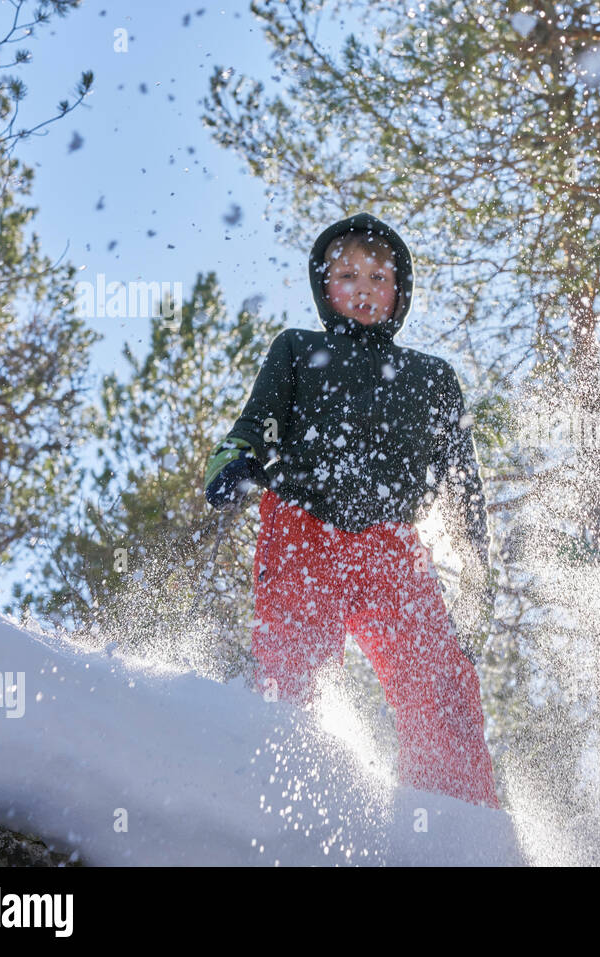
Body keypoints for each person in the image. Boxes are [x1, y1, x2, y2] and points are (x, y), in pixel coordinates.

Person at [202, 212, 500, 809]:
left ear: (399, 291)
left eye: (378, 276)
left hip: (391, 545)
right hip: (303, 529)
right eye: (346, 275)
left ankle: (461, 820)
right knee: (294, 672)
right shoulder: (297, 349)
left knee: (439, 688)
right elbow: (255, 424)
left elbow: (463, 482)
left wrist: (475, 562)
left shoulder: (432, 378)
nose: (363, 287)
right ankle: (289, 803)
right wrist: (232, 463)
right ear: (325, 288)